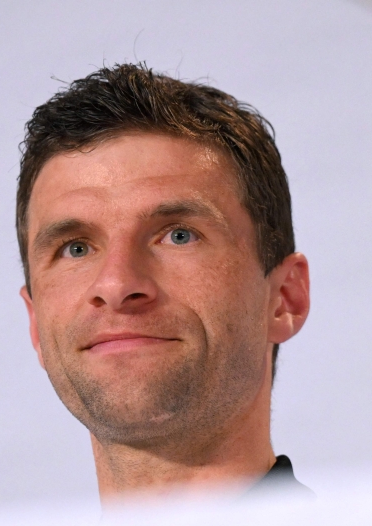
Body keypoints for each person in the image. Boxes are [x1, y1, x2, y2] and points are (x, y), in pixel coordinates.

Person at [16, 63, 312, 503]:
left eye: (179, 235)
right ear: (36, 324)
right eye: (75, 248)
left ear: (283, 298)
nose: (116, 284)